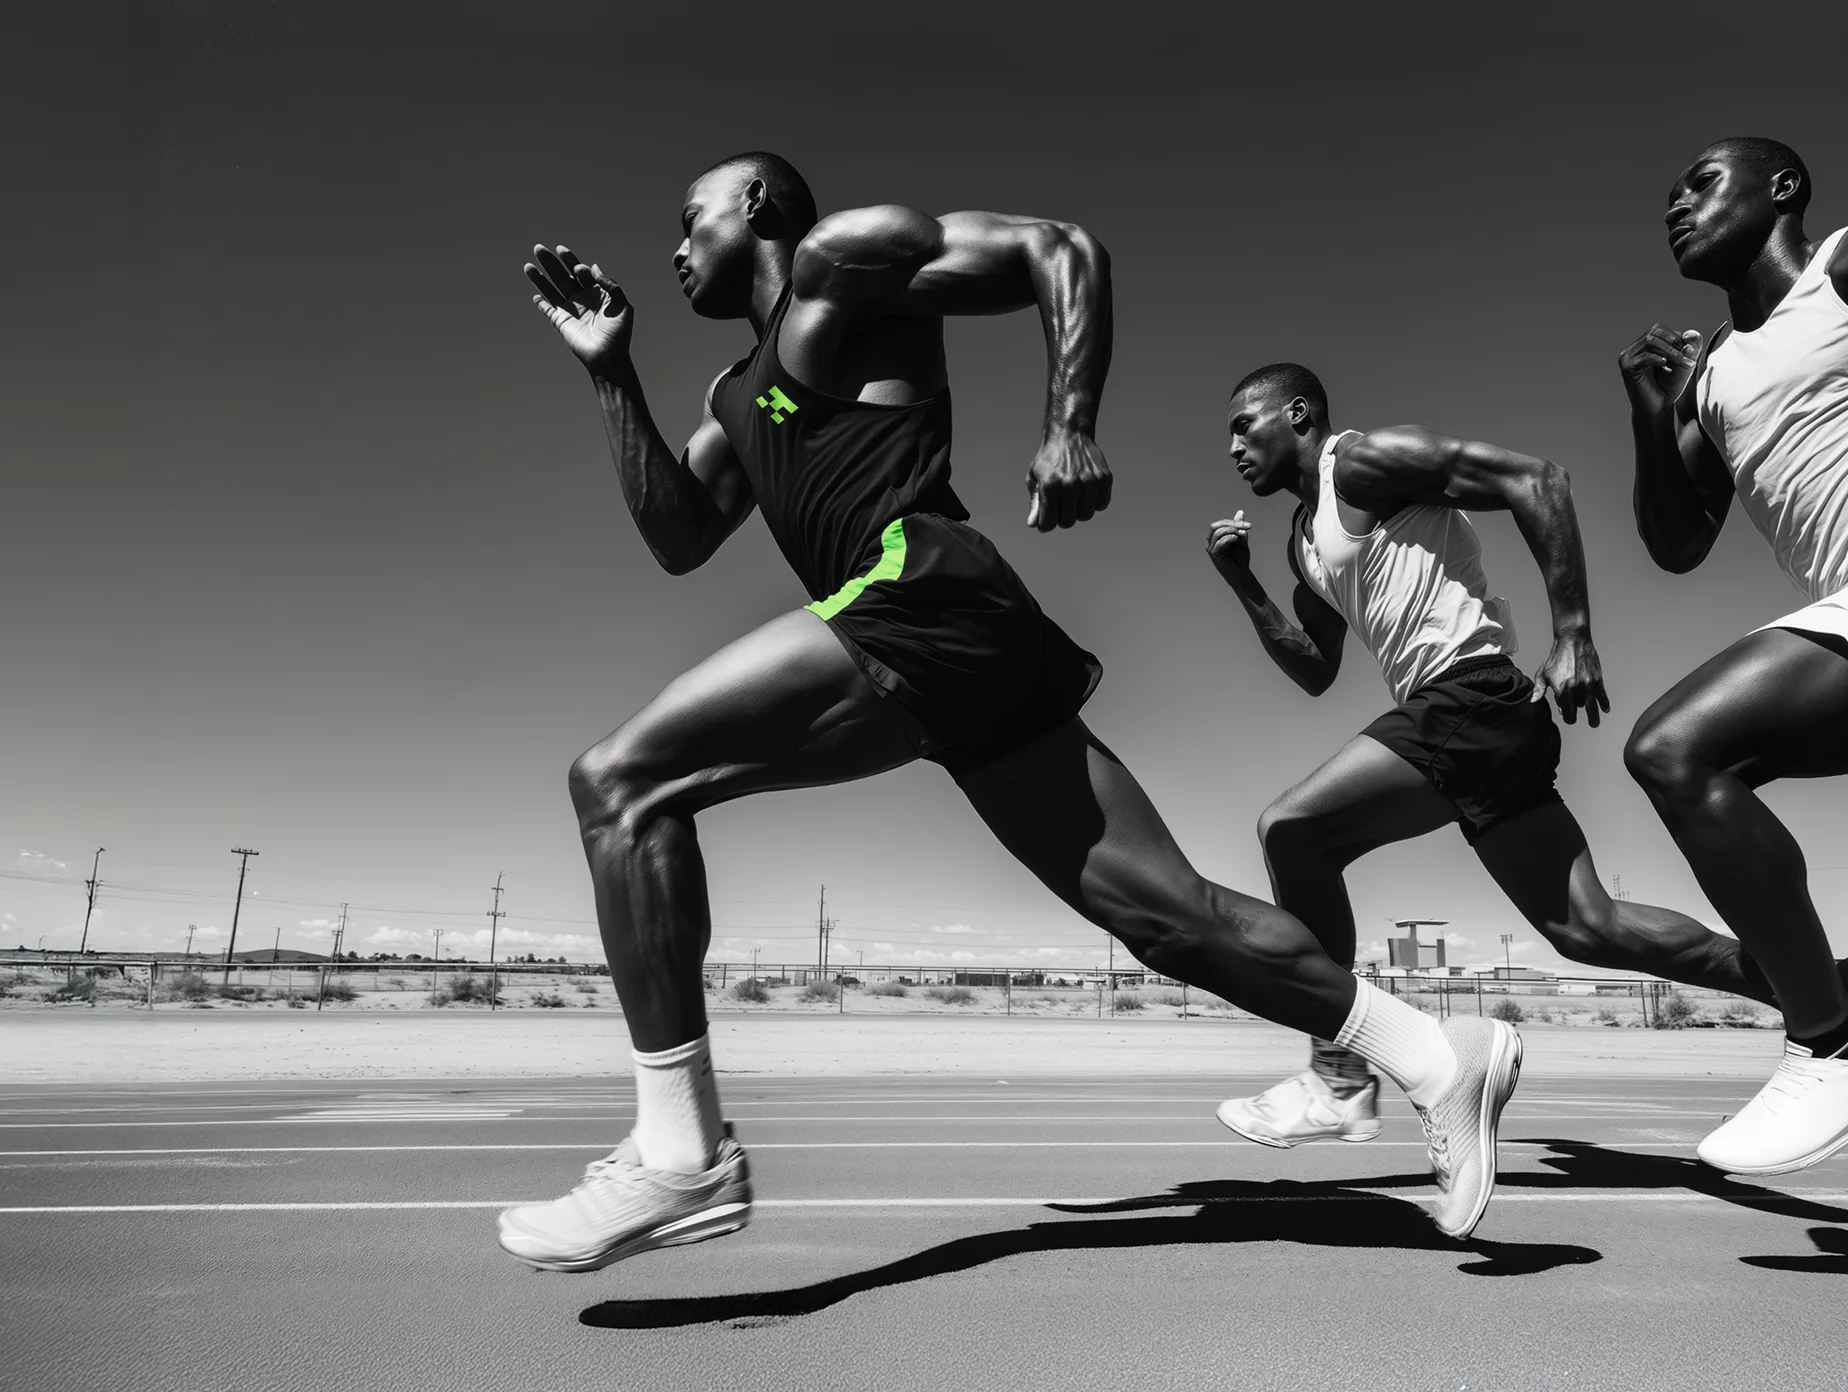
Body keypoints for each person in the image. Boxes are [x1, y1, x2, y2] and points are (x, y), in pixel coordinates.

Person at [496, 152, 1518, 1270]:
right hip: (956, 649)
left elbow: (1060, 250)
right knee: (1169, 918)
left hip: (917, 587)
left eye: (688, 217)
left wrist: (1068, 422)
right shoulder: (734, 397)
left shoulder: (842, 266)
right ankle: (1435, 1055)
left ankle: (679, 1152)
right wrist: (609, 370)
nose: (676, 246)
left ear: (754, 207)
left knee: (620, 782)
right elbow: (679, 536)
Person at [1205, 361, 1784, 1151]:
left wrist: (1573, 632)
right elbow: (1315, 669)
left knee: (1293, 830)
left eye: (1245, 424)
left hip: (1468, 695)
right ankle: (1813, 984)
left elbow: (1537, 478)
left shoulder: (1365, 463)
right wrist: (1243, 584)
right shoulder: (1305, 541)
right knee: (1589, 928)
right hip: (1468, 727)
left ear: (1297, 414)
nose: (1233, 444)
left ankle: (1340, 1076)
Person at [1619, 136, 1848, 1175]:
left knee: (1678, 747)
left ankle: (1829, 1040)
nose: (1677, 204)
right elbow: (1675, 545)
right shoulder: (1712, 376)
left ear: (1782, 189)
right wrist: (1652, 416)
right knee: (1679, 755)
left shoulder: (1840, 271)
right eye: (1670, 194)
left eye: (1701, 184)